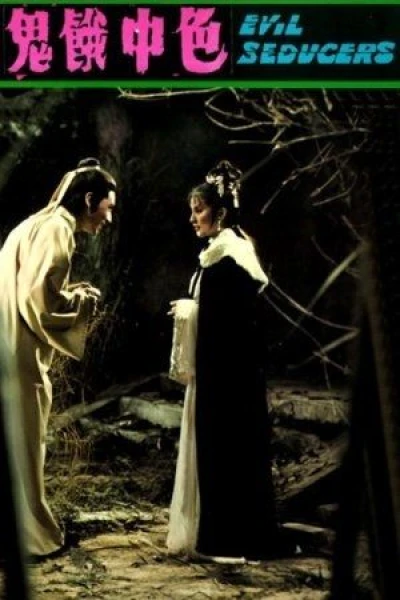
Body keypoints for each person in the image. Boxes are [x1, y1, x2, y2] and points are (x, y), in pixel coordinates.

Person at [0, 157, 117, 560]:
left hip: (7, 342)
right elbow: (40, 301)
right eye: (108, 207)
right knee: (25, 445)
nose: (108, 219)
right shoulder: (58, 229)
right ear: (89, 200)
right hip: (19, 353)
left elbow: (29, 285)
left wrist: (70, 291)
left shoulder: (33, 224)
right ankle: (31, 537)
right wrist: (82, 303)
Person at [167, 160, 279, 561]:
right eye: (192, 210)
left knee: (229, 451)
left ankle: (232, 538)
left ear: (220, 213)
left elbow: (232, 321)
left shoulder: (233, 254)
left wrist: (189, 311)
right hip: (217, 371)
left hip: (231, 376)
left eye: (199, 210)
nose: (192, 218)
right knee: (215, 449)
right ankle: (215, 533)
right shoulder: (215, 253)